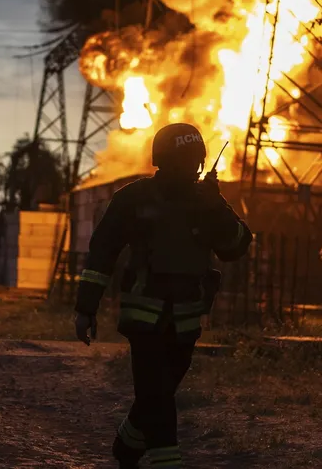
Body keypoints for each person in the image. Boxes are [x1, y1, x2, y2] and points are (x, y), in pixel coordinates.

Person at [73, 123, 253, 468]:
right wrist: (86, 309)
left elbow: (237, 247)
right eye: (182, 160)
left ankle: (126, 448)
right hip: (144, 318)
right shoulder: (133, 198)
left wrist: (216, 210)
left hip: (186, 321)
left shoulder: (206, 201)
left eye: (194, 161)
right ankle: (165, 461)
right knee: (156, 393)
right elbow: (101, 254)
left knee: (159, 393)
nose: (190, 168)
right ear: (163, 161)